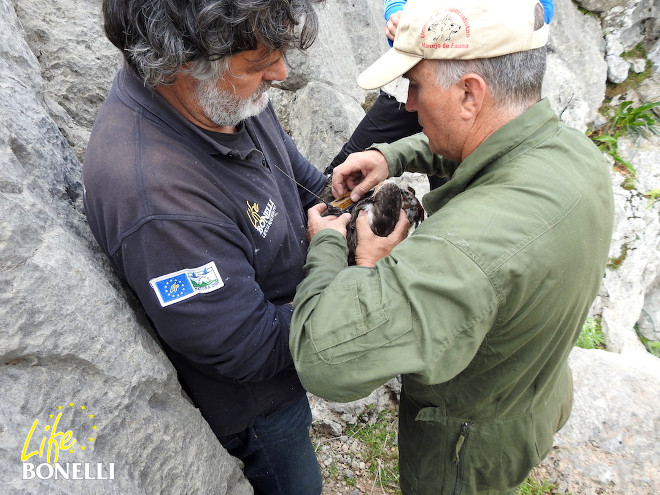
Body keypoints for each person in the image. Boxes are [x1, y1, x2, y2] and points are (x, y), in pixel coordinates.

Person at [290, 0, 614, 493]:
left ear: (469, 93)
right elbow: (489, 148)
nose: (411, 104)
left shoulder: (468, 248)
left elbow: (323, 359)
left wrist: (340, 252)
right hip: (533, 393)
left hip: (465, 448)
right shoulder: (573, 154)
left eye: (416, 86)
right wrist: (390, 154)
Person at [82, 1, 327, 493]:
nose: (279, 72)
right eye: (262, 63)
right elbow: (246, 346)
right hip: (258, 403)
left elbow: (292, 174)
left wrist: (337, 200)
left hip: (292, 335)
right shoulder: (156, 200)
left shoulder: (222, 94)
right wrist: (340, 270)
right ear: (180, 64)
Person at [327, 0, 555, 189]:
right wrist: (398, 16)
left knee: (450, 178)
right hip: (423, 74)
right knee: (355, 159)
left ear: (469, 94)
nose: (411, 105)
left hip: (465, 75)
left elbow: (541, 8)